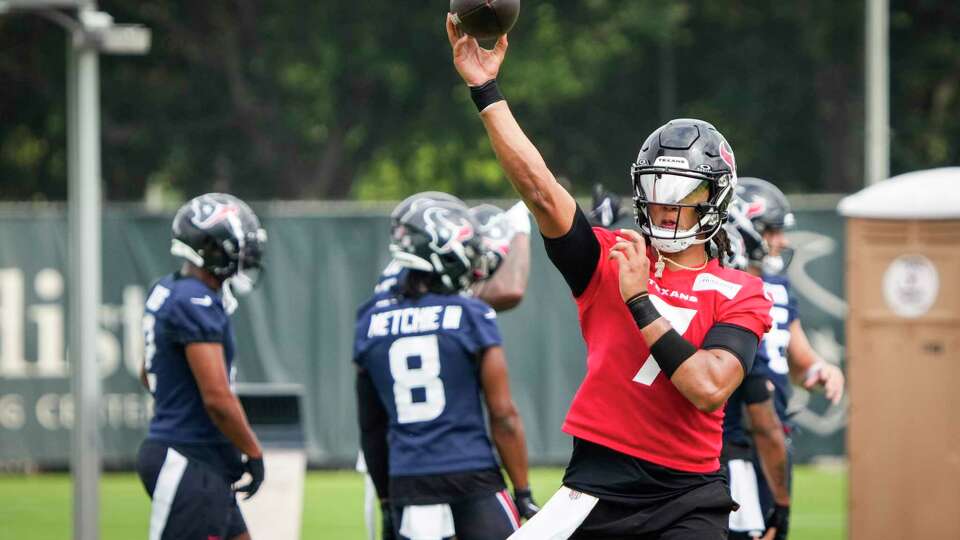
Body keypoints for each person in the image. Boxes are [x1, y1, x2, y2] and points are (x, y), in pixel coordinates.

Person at [446, 17, 773, 538]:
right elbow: (537, 187)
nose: (666, 207)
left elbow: (708, 388)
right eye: (657, 189)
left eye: (683, 194)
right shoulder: (607, 256)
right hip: (595, 486)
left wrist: (640, 299)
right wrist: (484, 89)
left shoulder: (741, 292)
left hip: (687, 496)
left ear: (713, 200)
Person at [355, 198, 538, 540]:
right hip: (471, 474)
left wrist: (386, 499)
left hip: (407, 479)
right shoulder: (471, 314)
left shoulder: (370, 319)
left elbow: (371, 426)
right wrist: (523, 491)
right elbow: (503, 414)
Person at [136, 193, 268, 540]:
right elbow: (216, 397)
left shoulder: (167, 289)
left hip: (199, 458)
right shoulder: (194, 301)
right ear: (211, 247)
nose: (245, 254)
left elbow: (147, 372)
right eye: (237, 245)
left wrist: (178, 401)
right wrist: (252, 450)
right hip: (188, 459)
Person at [724, 177, 846, 539]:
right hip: (739, 445)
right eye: (772, 230)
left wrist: (819, 368)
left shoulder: (778, 284)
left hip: (771, 439)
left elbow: (795, 357)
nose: (782, 241)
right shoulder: (726, 288)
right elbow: (757, 401)